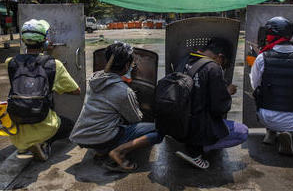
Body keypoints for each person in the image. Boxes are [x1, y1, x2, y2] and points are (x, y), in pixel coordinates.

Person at [70, 42, 163, 172]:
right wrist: (133, 102)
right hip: (104, 137)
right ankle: (119, 152)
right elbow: (135, 119)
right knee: (160, 130)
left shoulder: (94, 80)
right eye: (131, 64)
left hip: (82, 135)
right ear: (126, 65)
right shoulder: (123, 91)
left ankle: (102, 151)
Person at [6, 19, 80, 161]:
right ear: (45, 41)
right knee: (68, 125)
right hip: (45, 126)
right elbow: (76, 90)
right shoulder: (53, 64)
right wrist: (55, 87)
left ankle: (27, 145)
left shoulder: (11, 63)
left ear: (22, 40)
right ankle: (44, 142)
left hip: (16, 134)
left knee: (23, 129)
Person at [175, 37, 248, 169]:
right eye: (224, 63)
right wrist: (227, 92)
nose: (223, 67)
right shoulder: (213, 68)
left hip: (180, 125)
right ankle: (197, 150)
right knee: (243, 132)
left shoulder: (185, 59)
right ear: (220, 57)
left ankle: (191, 144)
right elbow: (219, 108)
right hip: (198, 126)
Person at [250, 16, 293, 156]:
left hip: (267, 117)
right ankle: (288, 133)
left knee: (261, 92)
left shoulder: (262, 58)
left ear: (272, 36)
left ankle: (271, 131)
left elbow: (255, 85)